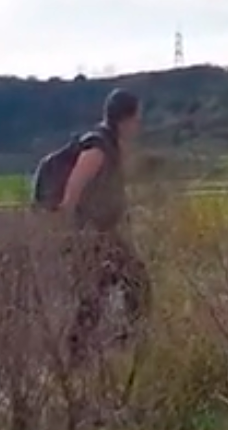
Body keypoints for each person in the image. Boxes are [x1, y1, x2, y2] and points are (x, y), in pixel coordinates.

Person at [58, 88, 150, 362]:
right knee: (134, 284)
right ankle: (123, 344)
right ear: (124, 119)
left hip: (103, 233)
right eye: (136, 118)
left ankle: (82, 352)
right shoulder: (98, 147)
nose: (139, 124)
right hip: (92, 235)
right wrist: (71, 233)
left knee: (98, 296)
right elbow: (73, 191)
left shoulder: (111, 145)